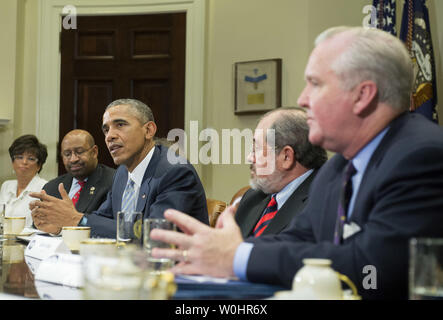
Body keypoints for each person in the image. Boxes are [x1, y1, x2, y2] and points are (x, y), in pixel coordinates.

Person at [149, 26, 443, 300]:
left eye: (315, 83)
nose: (302, 99)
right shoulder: (339, 166)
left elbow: (372, 269)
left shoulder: (421, 156)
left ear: (362, 95)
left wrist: (236, 257)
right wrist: (215, 249)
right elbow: (300, 238)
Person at [30, 98, 208, 237]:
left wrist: (78, 220)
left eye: (120, 125)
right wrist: (62, 226)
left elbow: (155, 236)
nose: (110, 136)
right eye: (106, 130)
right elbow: (103, 220)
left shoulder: (175, 172)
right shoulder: (123, 173)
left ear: (149, 130)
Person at [235, 107, 327, 237]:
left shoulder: (322, 201)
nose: (250, 157)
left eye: (257, 149)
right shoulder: (252, 198)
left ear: (286, 157)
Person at [42, 129, 115, 213]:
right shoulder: (51, 188)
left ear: (94, 152)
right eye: (67, 154)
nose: (73, 159)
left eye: (79, 152)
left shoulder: (113, 182)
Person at [0, 135, 48, 227]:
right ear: (13, 162)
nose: (24, 162)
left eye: (31, 158)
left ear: (39, 166)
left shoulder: (45, 187)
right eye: (19, 157)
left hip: (30, 240)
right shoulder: (6, 186)